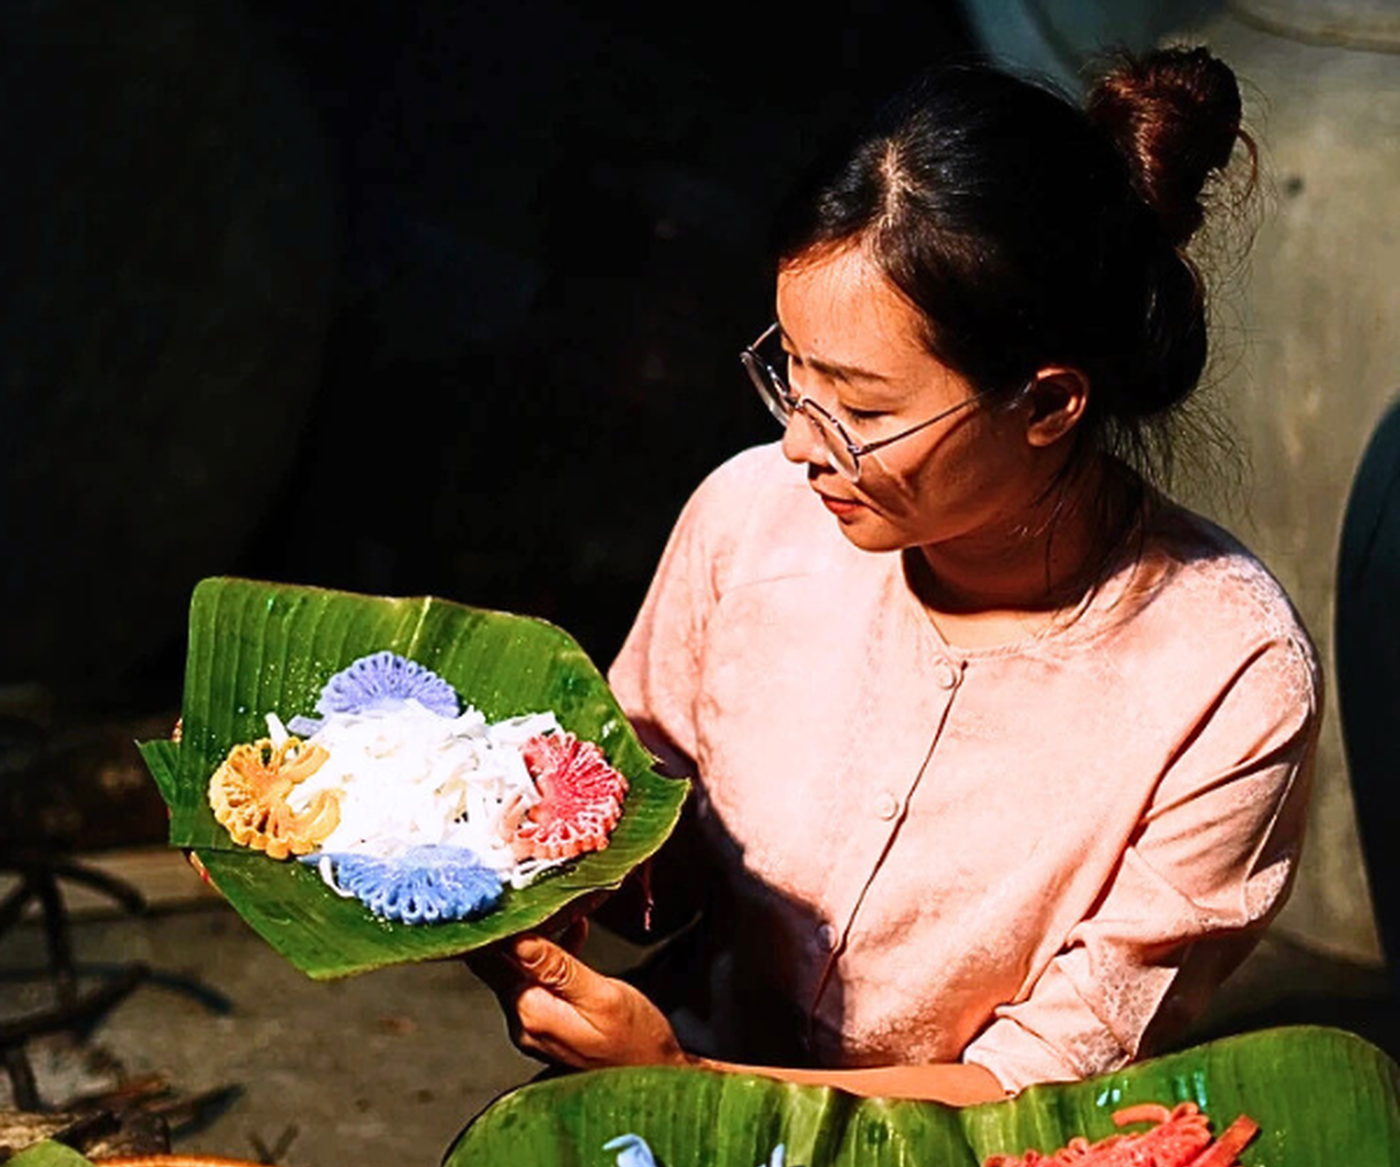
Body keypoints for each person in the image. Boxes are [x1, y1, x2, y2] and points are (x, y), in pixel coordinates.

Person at [474, 47, 1321, 1104]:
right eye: (789, 369)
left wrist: (682, 1081)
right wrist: (515, 860)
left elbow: (1044, 1081)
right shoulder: (752, 520)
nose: (799, 446)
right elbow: (651, 846)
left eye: (863, 410)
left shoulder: (1226, 674)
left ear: (1048, 404)